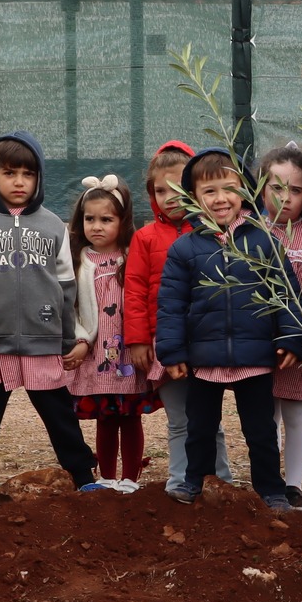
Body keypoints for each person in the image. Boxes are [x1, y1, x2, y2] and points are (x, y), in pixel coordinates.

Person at [0, 133, 101, 503]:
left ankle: (83, 476)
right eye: (9, 173)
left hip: (43, 345)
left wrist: (67, 340)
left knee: (61, 418)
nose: (18, 182)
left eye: (28, 174)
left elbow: (66, 292)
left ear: (39, 177)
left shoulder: (53, 227)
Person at [154, 150, 302, 508]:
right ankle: (196, 483)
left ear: (245, 191)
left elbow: (286, 292)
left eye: (229, 188)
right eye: (209, 191)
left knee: (261, 431)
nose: (220, 198)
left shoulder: (265, 241)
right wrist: (173, 352)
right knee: (200, 429)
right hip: (203, 359)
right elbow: (171, 305)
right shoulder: (185, 249)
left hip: (254, 356)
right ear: (193, 197)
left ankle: (270, 489)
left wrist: (291, 338)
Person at [122, 140, 228, 497]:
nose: (170, 196)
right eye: (161, 189)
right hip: (165, 343)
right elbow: (134, 291)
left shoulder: (214, 234)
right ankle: (181, 479)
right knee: (180, 418)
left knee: (210, 419)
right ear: (151, 193)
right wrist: (138, 339)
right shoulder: (144, 238)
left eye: (178, 187)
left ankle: (220, 479)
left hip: (205, 342)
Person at [66, 175, 157, 492]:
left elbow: (144, 300)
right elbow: (72, 307)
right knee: (105, 419)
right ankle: (105, 477)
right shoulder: (78, 261)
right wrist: (79, 340)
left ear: (123, 221)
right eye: (90, 219)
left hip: (128, 354)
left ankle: (130, 479)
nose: (97, 226)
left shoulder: (133, 256)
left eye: (107, 219)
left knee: (131, 418)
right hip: (94, 355)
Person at [257, 145, 302, 500]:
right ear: (260, 187)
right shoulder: (248, 233)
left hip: (299, 348)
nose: (285, 197)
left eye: (296, 190)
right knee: (264, 416)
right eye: (276, 187)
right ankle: (268, 481)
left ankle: (294, 485)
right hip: (257, 347)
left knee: (297, 414)